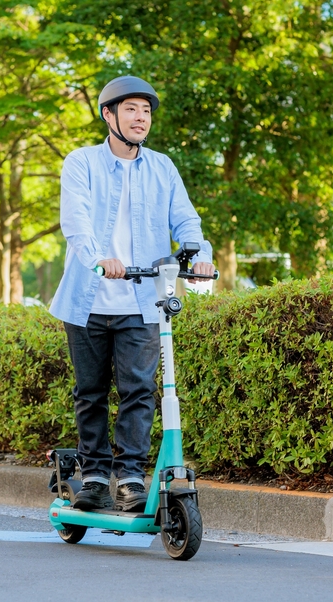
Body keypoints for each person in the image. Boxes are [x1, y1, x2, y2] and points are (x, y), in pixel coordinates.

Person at [49, 76, 214, 512]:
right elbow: (77, 223)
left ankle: (131, 478)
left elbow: (187, 221)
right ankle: (96, 475)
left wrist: (198, 256)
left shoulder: (163, 167)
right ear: (109, 115)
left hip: (143, 301)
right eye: (131, 110)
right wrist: (99, 257)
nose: (141, 118)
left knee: (140, 390)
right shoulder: (81, 162)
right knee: (91, 392)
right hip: (88, 299)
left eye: (146, 111)